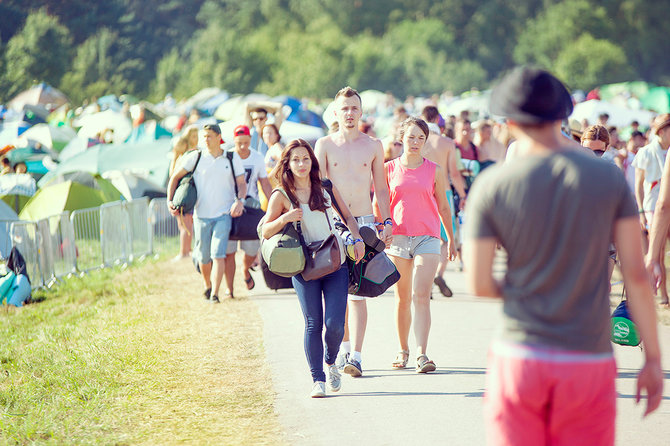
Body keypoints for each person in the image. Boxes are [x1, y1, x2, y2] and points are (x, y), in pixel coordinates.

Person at [465, 67, 662, 446]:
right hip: (586, 358)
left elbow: (478, 282)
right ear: (562, 117)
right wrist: (652, 359)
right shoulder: (607, 179)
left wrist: (534, 287)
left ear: (508, 122)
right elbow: (636, 275)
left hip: (520, 355)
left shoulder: (492, 186)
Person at [262, 139, 365, 398]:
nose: (301, 164)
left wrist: (357, 238)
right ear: (287, 163)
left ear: (312, 161)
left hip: (334, 260)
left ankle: (331, 362)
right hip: (303, 265)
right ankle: (317, 379)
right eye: (295, 159)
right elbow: (264, 230)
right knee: (313, 323)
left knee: (335, 324)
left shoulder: (325, 187)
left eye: (305, 159)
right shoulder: (281, 195)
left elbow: (349, 217)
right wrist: (285, 217)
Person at [315, 86, 393, 377]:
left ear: (361, 112)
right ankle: (341, 350)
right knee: (337, 291)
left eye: (354, 108)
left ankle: (356, 356)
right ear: (336, 112)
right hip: (333, 223)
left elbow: (381, 189)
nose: (349, 113)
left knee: (358, 292)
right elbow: (320, 189)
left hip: (364, 223)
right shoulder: (323, 144)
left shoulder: (373, 145)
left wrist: (386, 221)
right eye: (344, 108)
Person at [386, 117, 457, 372]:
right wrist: (381, 228)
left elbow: (444, 207)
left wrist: (451, 239)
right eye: (411, 137)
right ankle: (402, 348)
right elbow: (380, 204)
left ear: (426, 142)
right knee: (402, 298)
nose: (415, 142)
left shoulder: (434, 170)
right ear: (401, 139)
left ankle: (421, 354)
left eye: (420, 138)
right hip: (398, 238)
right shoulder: (389, 169)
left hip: (429, 237)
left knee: (421, 295)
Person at [167, 124, 247, 303]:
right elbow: (175, 178)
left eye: (209, 136)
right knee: (203, 256)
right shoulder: (195, 157)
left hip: (224, 214)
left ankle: (215, 294)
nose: (205, 139)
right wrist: (169, 201)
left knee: (218, 254)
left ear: (219, 137)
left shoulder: (231, 157)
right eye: (204, 136)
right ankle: (207, 284)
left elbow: (241, 183)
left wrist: (239, 201)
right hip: (201, 215)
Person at [420, 106, 466, 298]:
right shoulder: (447, 142)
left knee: (424, 238)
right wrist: (463, 194)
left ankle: (427, 280)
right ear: (438, 118)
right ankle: (438, 274)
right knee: (446, 237)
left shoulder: (418, 140)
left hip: (422, 191)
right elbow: (453, 173)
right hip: (444, 191)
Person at [224, 125, 272, 297]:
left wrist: (274, 205)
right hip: (228, 209)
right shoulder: (227, 156)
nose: (243, 146)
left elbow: (265, 183)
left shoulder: (257, 157)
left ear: (250, 140)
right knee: (228, 252)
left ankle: (245, 270)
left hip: (251, 209)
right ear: (234, 141)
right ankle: (230, 290)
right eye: (239, 143)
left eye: (246, 142)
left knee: (252, 250)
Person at [633, 115, 670, 304]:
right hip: (653, 206)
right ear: (662, 131)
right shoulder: (645, 152)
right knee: (658, 252)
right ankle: (663, 295)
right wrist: (640, 210)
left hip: (664, 205)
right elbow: (638, 185)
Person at [169, 134, 196, 260]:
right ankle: (186, 249)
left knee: (185, 225)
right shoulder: (180, 158)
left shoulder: (183, 159)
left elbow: (174, 177)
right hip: (180, 195)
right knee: (184, 225)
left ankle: (184, 251)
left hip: (182, 195)